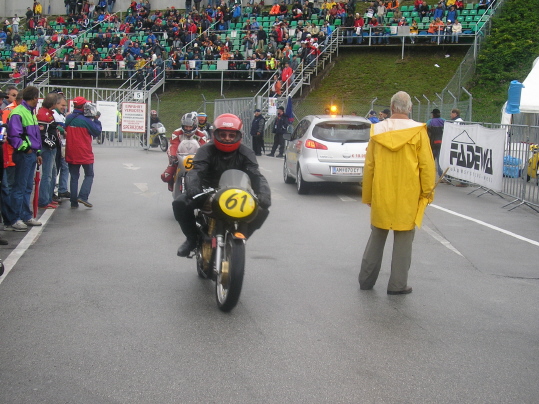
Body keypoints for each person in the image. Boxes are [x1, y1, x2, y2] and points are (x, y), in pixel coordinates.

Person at [358, 91, 435, 295]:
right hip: (408, 194)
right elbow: (427, 166)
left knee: (377, 234)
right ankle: (397, 284)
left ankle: (366, 280)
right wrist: (427, 193)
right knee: (403, 239)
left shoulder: (377, 130)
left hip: (382, 192)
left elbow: (370, 166)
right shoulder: (418, 131)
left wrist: (368, 195)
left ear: (391, 108)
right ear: (409, 108)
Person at [172, 113, 271, 257]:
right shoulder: (205, 150)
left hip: (236, 195)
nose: (227, 138)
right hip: (207, 193)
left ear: (239, 136)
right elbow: (196, 171)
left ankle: (241, 237)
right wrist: (194, 187)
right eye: (223, 134)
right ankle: (191, 239)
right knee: (180, 203)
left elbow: (256, 175)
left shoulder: (246, 153)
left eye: (232, 135)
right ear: (215, 134)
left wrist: (264, 194)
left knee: (262, 208)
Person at [4, 86, 43, 231]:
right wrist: (26, 148)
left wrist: (37, 152)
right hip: (24, 154)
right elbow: (14, 135)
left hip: (30, 153)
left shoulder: (28, 112)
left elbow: (32, 136)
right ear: (34, 98)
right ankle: (15, 218)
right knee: (20, 187)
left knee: (26, 187)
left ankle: (25, 215)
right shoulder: (19, 112)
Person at [64, 97, 102, 208]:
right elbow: (96, 131)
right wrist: (96, 120)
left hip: (71, 151)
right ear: (84, 106)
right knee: (89, 174)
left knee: (74, 176)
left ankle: (73, 201)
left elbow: (64, 128)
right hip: (84, 151)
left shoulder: (69, 118)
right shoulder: (86, 120)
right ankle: (83, 196)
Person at [161, 112, 207, 192]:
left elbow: (204, 147)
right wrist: (173, 157)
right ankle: (171, 181)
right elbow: (173, 146)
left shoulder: (201, 135)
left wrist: (203, 159)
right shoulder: (176, 133)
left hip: (196, 158)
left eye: (190, 127)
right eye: (186, 126)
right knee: (166, 176)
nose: (188, 129)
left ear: (195, 125)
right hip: (180, 157)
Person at [36, 92, 60, 209]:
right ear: (53, 103)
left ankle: (49, 197)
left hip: (51, 147)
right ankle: (43, 201)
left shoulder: (47, 113)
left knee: (53, 173)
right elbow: (42, 134)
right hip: (47, 148)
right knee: (48, 175)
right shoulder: (44, 115)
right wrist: (51, 145)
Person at [426, 108, 444, 179]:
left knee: (430, 161)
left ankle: (429, 176)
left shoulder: (429, 122)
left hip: (432, 143)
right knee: (440, 161)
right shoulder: (444, 121)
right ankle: (442, 176)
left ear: (433, 115)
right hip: (442, 143)